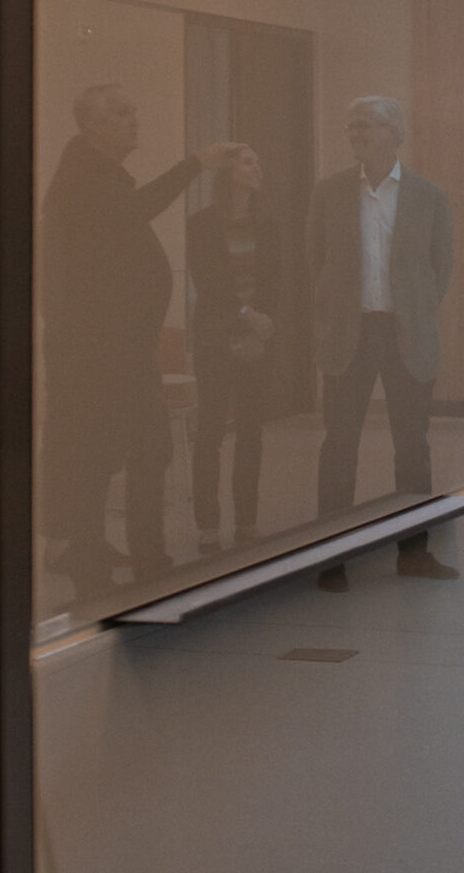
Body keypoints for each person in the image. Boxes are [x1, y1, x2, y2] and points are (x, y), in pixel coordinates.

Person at [40, 84, 244, 591]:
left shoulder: (95, 173)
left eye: (134, 109)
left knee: (135, 449)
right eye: (122, 113)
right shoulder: (86, 178)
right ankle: (104, 558)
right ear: (93, 127)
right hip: (100, 351)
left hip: (118, 347)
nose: (135, 120)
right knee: (111, 452)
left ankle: (120, 553)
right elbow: (137, 210)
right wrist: (195, 162)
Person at [307, 96, 456, 588]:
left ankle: (413, 553)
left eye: (365, 125)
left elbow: (441, 267)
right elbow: (316, 261)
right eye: (350, 127)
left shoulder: (428, 196)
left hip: (405, 332)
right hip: (349, 332)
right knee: (339, 445)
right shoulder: (327, 193)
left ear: (395, 132)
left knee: (412, 445)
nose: (355, 134)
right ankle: (331, 559)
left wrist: (415, 306)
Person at [187, 144, 282, 553]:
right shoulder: (201, 224)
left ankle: (247, 519)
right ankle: (207, 523)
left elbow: (274, 284)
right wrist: (246, 319)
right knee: (209, 431)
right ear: (227, 172)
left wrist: (261, 331)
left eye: (258, 161)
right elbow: (209, 285)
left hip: (257, 338)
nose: (256, 167)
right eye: (248, 161)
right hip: (216, 336)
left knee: (250, 432)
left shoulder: (267, 224)